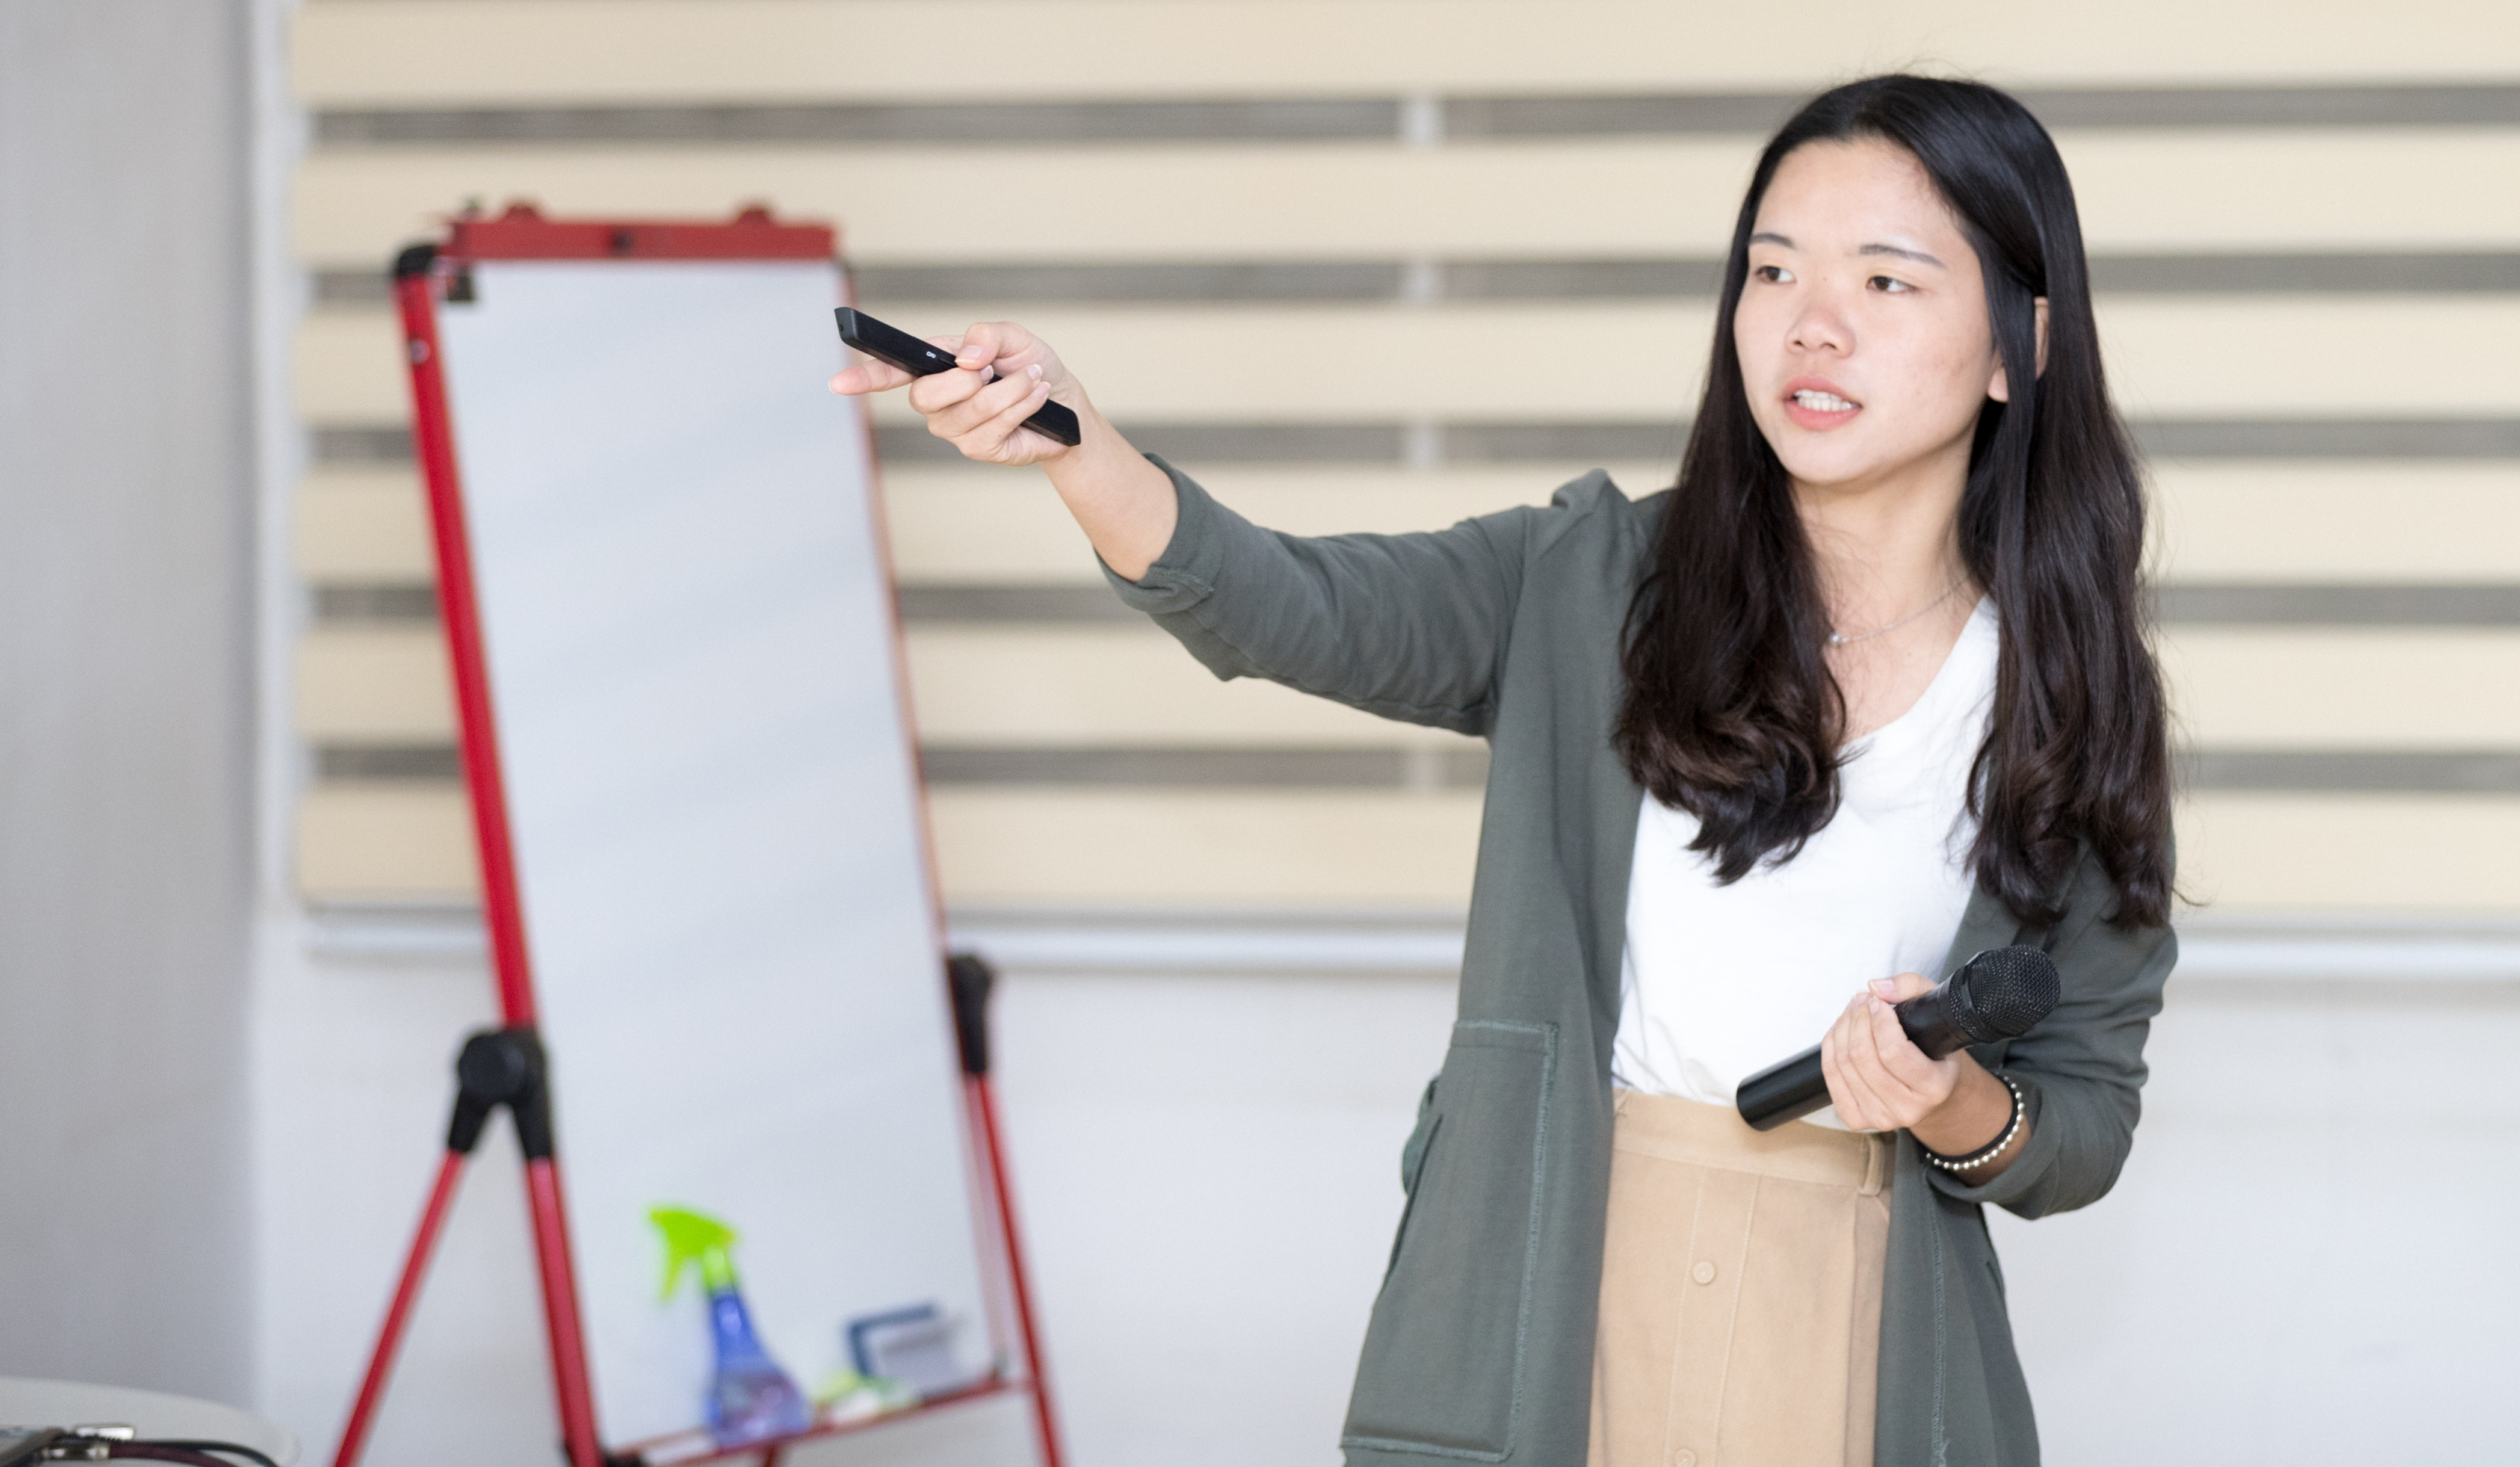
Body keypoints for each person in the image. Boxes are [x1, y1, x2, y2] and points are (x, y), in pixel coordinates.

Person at [832, 75, 2178, 1466]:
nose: (1810, 322)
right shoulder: (1588, 583)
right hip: (1552, 1294)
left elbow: (2082, 1121)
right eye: (1773, 269)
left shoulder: (2069, 698)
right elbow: (1285, 603)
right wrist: (1079, 443)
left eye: (1885, 281)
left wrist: (1952, 1103)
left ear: (2018, 347)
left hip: (1866, 1329)